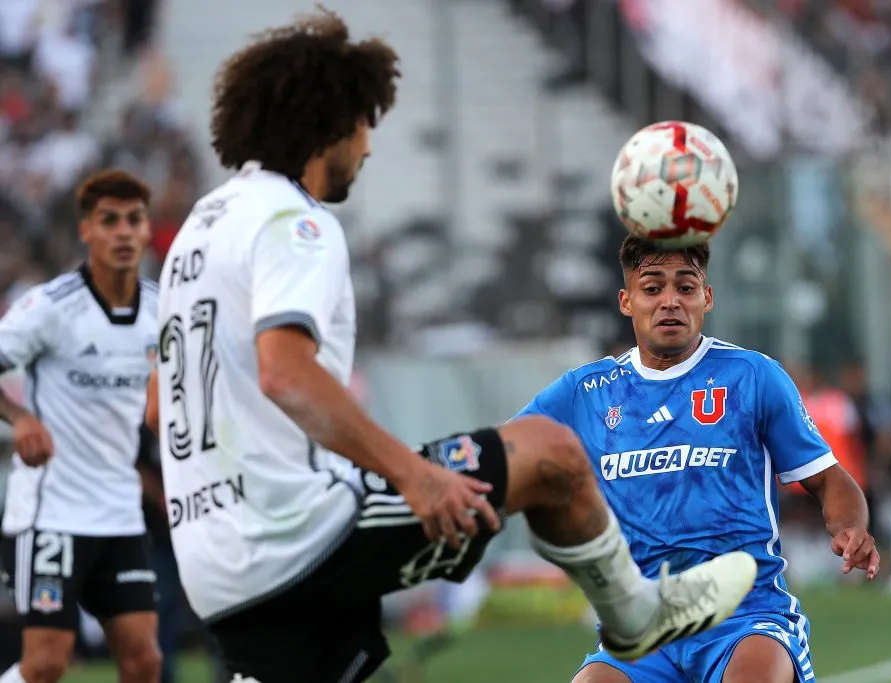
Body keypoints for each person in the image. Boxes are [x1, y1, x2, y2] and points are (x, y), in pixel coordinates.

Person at [142, 9, 757, 683]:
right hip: (289, 537)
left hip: (213, 559)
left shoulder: (200, 228)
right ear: (329, 124)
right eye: (364, 122)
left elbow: (157, 403)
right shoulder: (293, 221)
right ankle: (636, 614)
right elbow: (284, 374)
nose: (369, 146)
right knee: (550, 452)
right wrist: (413, 473)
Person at [517, 236, 881, 683]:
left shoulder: (752, 375)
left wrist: (851, 527)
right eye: (652, 289)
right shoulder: (586, 391)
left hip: (745, 617)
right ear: (626, 301)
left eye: (685, 288)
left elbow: (828, 479)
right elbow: (502, 452)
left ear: (706, 298)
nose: (670, 301)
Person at [0, 170, 161, 683]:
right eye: (108, 220)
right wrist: (19, 417)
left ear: (146, 230)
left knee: (145, 663)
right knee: (47, 663)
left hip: (118, 513)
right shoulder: (51, 307)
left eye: (133, 220)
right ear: (86, 230)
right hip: (52, 514)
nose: (122, 232)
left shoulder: (163, 309)